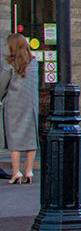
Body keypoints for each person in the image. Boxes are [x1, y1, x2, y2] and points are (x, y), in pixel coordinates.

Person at [1, 34, 39, 184]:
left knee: (14, 138)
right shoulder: (33, 62)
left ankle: (16, 172)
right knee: (31, 136)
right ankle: (29, 170)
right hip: (30, 103)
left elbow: (2, 84)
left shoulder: (8, 63)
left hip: (14, 104)